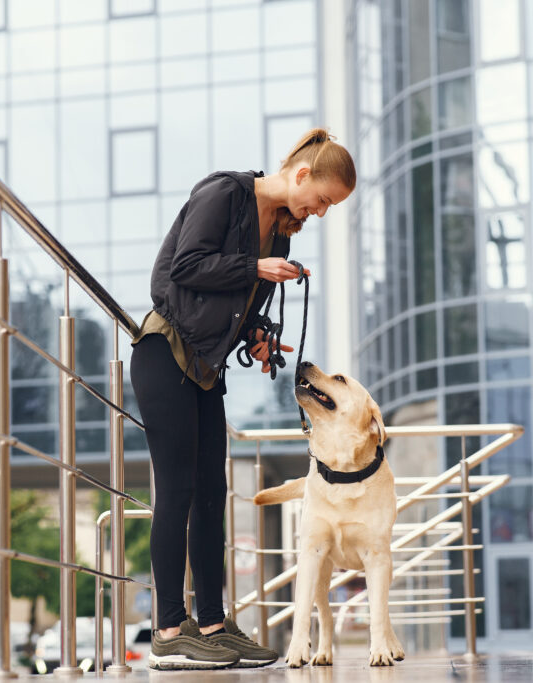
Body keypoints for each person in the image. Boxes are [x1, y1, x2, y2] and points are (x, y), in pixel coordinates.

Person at [130, 128, 356, 670]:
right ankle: (167, 630)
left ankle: (210, 623)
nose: (320, 212)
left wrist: (257, 333)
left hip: (206, 367)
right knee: (179, 490)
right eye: (322, 199)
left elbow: (233, 300)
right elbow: (180, 270)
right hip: (165, 354)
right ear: (302, 174)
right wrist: (254, 268)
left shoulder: (280, 231)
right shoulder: (224, 193)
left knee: (213, 493)